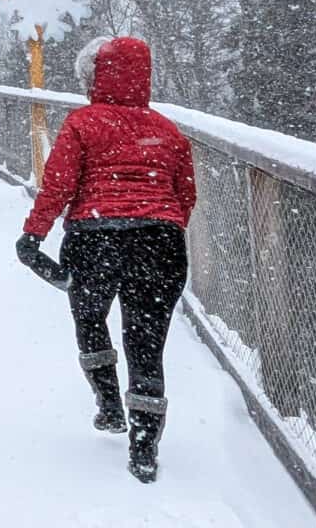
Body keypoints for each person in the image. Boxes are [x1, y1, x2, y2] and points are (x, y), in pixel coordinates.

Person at [13, 36, 196, 484]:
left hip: (96, 239)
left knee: (90, 317)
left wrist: (33, 234)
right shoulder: (169, 131)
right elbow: (185, 195)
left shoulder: (83, 123)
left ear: (94, 77)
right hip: (160, 240)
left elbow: (58, 185)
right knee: (146, 344)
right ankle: (144, 446)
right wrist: (156, 225)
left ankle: (110, 404)